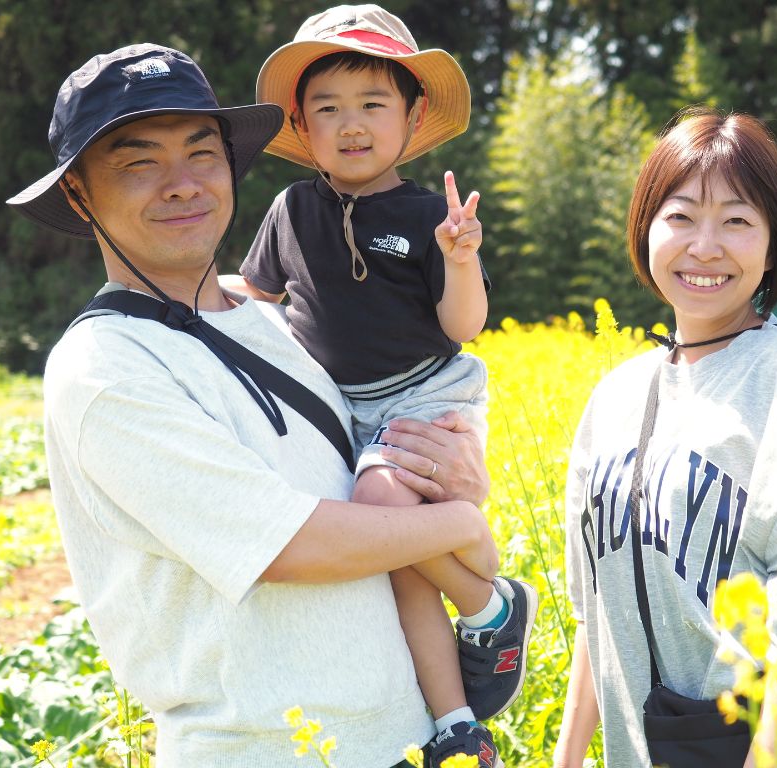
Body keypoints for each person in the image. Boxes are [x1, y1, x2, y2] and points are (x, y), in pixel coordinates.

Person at [7, 43, 503, 768]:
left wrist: (454, 478)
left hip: (406, 738)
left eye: (202, 155)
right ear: (79, 194)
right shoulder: (105, 368)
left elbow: (381, 454)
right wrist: (461, 528)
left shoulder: (275, 322)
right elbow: (290, 545)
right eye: (139, 162)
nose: (182, 185)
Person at [224, 6, 537, 765]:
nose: (351, 123)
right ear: (302, 123)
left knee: (381, 511)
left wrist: (460, 260)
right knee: (395, 559)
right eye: (328, 108)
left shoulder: (428, 215)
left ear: (412, 115)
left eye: (373, 104)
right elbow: (258, 297)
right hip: (339, 413)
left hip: (424, 395)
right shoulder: (291, 210)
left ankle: (487, 604)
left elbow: (463, 325)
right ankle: (456, 724)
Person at [553, 110, 777, 767]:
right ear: (646, 228)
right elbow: (597, 622)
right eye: (681, 216)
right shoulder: (614, 399)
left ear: (773, 245)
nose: (704, 246)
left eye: (737, 221)